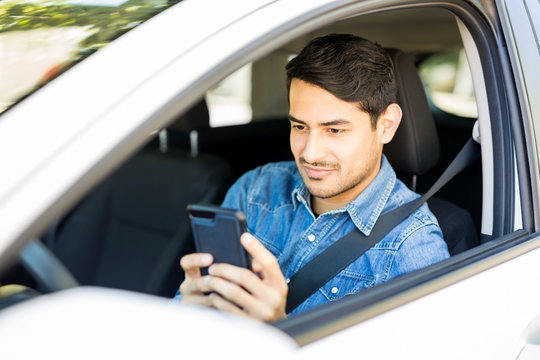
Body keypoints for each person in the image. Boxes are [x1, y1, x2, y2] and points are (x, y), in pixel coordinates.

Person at [175, 34, 449, 322]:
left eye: (335, 130)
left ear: (386, 125)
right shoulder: (255, 188)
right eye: (300, 126)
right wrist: (187, 310)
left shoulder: (413, 247)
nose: (310, 153)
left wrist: (279, 329)